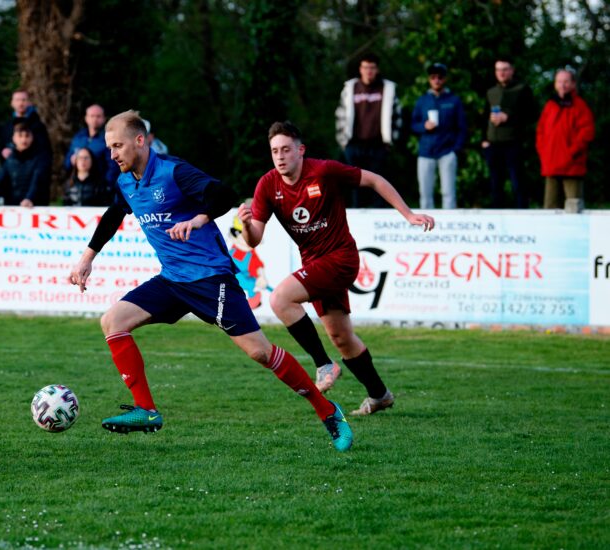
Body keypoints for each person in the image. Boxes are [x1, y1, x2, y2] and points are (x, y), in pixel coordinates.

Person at [68, 111, 353, 452]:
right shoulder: (126, 181)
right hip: (173, 280)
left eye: (118, 146)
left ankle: (328, 412)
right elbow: (116, 212)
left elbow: (223, 193)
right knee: (113, 321)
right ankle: (147, 410)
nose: (112, 155)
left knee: (261, 353)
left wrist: (199, 219)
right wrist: (88, 257)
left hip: (210, 278)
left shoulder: (173, 171)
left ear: (140, 141)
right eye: (109, 148)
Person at [237, 121, 435, 416]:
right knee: (342, 337)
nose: (280, 157)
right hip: (315, 265)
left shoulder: (323, 171)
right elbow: (255, 240)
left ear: (300, 151)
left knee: (280, 299)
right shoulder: (268, 185)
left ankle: (323, 364)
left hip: (341, 258)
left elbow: (375, 180)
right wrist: (246, 225)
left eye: (286, 150)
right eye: (275, 151)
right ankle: (380, 395)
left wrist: (408, 214)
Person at [334, 53, 401, 208]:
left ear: (377, 70)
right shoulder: (351, 88)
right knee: (356, 186)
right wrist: (344, 143)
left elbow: (397, 116)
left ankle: (376, 224)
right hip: (354, 145)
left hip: (379, 145)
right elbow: (340, 115)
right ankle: (358, 224)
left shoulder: (387, 88)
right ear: (360, 69)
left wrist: (391, 141)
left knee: (379, 186)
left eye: (372, 68)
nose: (368, 71)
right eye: (365, 67)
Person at [535, 68, 595, 210]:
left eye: (566, 81)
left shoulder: (580, 106)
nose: (563, 85)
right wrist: (544, 153)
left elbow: (587, 133)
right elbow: (540, 131)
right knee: (550, 208)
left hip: (572, 166)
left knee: (574, 207)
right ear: (555, 84)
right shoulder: (550, 106)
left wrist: (571, 153)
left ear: (573, 84)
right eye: (559, 81)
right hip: (551, 165)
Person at [411, 63, 467, 209]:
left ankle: (449, 227)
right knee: (425, 194)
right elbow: (412, 124)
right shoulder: (422, 100)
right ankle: (426, 228)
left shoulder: (454, 100)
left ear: (445, 79)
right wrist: (424, 126)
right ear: (429, 79)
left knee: (448, 193)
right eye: (433, 77)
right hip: (426, 152)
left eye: (440, 77)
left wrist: (456, 149)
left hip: (447, 152)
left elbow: (462, 127)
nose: (437, 80)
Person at [483, 57, 537, 208]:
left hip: (514, 143)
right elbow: (483, 118)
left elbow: (531, 114)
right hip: (493, 144)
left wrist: (509, 116)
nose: (501, 73)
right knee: (495, 184)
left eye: (505, 69)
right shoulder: (491, 92)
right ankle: (497, 218)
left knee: (518, 183)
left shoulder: (522, 89)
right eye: (498, 70)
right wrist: (484, 140)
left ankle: (522, 216)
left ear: (512, 70)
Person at [0, 121, 49, 208]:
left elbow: (37, 181)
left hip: (34, 207)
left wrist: (29, 199)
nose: (24, 140)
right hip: (13, 206)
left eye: (27, 136)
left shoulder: (40, 158)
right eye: (20, 136)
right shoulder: (10, 159)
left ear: (32, 137)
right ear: (13, 138)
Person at [64, 104, 119, 184]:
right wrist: (71, 161)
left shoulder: (108, 138)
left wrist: (106, 185)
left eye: (98, 116)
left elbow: (113, 167)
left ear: (104, 119)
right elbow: (67, 162)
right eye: (92, 116)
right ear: (86, 118)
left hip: (98, 186)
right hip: (77, 183)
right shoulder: (78, 137)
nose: (95, 119)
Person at [0, 89, 51, 161]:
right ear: (12, 103)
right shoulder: (7, 126)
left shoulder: (38, 126)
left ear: (29, 103)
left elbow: (44, 151)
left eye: (23, 100)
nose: (20, 103)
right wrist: (3, 152)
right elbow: (2, 146)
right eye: (17, 100)